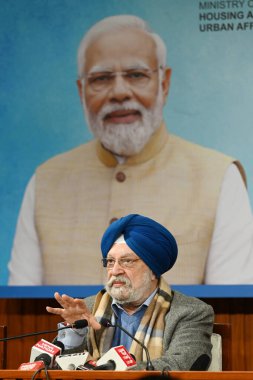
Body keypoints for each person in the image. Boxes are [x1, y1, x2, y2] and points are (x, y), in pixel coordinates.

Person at [8, 15, 253, 285]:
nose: (120, 93)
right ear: (81, 91)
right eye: (101, 78)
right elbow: (19, 309)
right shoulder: (45, 182)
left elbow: (234, 311)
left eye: (137, 75)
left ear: (164, 83)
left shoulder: (219, 179)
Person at [46, 214, 214, 371]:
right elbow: (57, 370)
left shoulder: (190, 312)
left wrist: (103, 372)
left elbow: (178, 365)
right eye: (110, 261)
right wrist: (76, 333)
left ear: (153, 270)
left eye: (127, 261)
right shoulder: (89, 309)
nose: (116, 270)